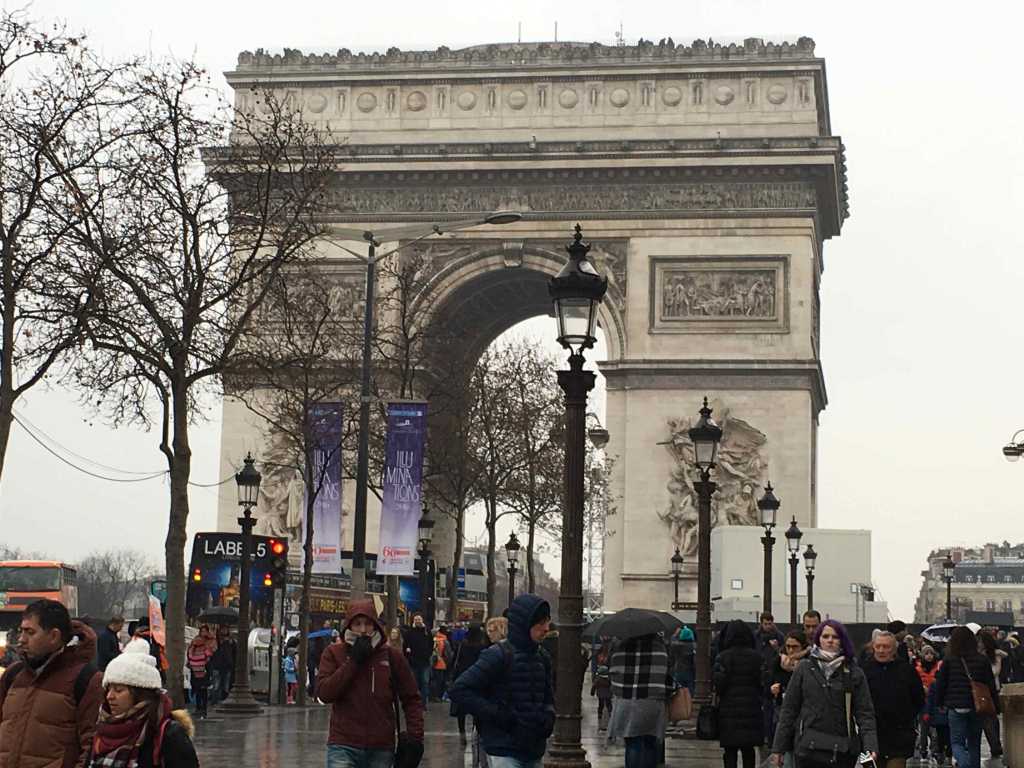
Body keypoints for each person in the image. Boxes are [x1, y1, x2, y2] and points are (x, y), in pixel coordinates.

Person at [449, 594, 556, 768]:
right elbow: (459, 689)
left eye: (547, 622)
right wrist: (498, 715)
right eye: (541, 623)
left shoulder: (542, 657)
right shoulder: (498, 654)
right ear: (525, 624)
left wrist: (548, 716)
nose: (546, 628)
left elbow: (548, 696)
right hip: (504, 748)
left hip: (533, 747)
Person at [317, 598, 424, 768]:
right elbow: (324, 693)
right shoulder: (334, 653)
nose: (363, 630)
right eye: (357, 624)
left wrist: (415, 736)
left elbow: (411, 697)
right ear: (349, 626)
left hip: (380, 746)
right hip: (343, 744)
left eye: (368, 624)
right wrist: (353, 662)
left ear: (375, 625)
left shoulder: (391, 656)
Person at [0, 599, 104, 768]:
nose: (21, 639)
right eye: (21, 631)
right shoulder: (13, 675)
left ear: (54, 636)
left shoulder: (87, 680)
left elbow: (92, 747)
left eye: (30, 632)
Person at [771, 619, 878, 768]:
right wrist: (778, 749)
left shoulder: (853, 672)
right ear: (818, 639)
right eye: (825, 636)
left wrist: (869, 749)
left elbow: (864, 713)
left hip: (842, 750)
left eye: (835, 637)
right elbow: (789, 710)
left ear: (842, 641)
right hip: (807, 747)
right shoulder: (805, 668)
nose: (830, 640)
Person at [83, 638, 199, 767]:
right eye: (108, 689)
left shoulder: (169, 735)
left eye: (119, 690)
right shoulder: (101, 729)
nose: (110, 696)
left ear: (140, 694)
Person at [933, 625, 998, 768]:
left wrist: (939, 703)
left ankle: (964, 764)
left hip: (955, 706)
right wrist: (996, 706)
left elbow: (941, 684)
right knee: (974, 743)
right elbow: (990, 685)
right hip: (976, 706)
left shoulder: (949, 659)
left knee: (957, 743)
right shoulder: (982, 660)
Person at [607, 630, 674, 768]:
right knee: (650, 742)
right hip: (652, 701)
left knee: (632, 743)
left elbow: (611, 670)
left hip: (626, 700)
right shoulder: (660, 646)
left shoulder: (620, 646)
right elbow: (668, 672)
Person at [862, 630, 924, 768]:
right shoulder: (864, 670)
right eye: (878, 646)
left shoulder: (907, 670)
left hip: (899, 735)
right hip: (869, 735)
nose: (881, 650)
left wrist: (906, 717)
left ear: (894, 649)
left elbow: (918, 698)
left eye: (886, 647)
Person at [714, 620, 764, 768]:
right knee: (749, 750)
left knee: (730, 751)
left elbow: (719, 685)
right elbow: (761, 683)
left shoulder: (723, 657)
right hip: (751, 709)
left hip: (728, 711)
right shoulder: (756, 657)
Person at [450, 625, 487, 746]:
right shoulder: (482, 647)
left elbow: (454, 660)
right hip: (478, 679)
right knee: (477, 709)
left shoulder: (462, 646)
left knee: (461, 711)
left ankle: (462, 733)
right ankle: (475, 733)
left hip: (462, 678)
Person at [977, 630, 1006, 762]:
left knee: (992, 718)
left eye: (981, 641)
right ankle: (994, 745)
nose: (979, 643)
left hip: (993, 688)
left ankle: (996, 745)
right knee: (987, 718)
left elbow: (996, 671)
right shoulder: (977, 655)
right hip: (981, 689)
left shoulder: (995, 654)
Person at [914, 645, 943, 761]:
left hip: (935, 701)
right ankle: (923, 750)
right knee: (924, 728)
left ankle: (935, 749)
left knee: (935, 729)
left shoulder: (938, 667)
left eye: (931, 653)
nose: (929, 656)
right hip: (923, 702)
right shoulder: (918, 669)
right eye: (926, 654)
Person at [185, 625, 215, 719]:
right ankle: (198, 708)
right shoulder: (194, 641)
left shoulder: (211, 641)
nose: (203, 633)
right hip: (195, 669)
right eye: (202, 631)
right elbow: (189, 651)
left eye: (205, 631)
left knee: (203, 690)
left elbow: (211, 653)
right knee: (197, 689)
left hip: (204, 669)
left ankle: (204, 709)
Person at [403, 613, 433, 707]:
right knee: (414, 683)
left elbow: (431, 645)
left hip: (425, 662)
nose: (417, 621)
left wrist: (428, 654)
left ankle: (423, 703)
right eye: (416, 619)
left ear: (422, 620)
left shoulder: (427, 631)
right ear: (413, 621)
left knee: (425, 682)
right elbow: (405, 645)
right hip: (413, 662)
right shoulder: (409, 632)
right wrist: (408, 654)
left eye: (419, 619)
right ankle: (414, 702)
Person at [207, 627, 234, 705]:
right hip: (217, 666)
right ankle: (214, 701)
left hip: (226, 666)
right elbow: (212, 653)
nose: (223, 636)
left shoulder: (230, 643)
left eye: (225, 633)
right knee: (216, 685)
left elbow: (232, 653)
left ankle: (223, 701)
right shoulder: (215, 643)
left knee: (225, 686)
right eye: (222, 633)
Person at [670, 627, 695, 694]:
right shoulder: (693, 646)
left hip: (679, 670)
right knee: (690, 692)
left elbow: (672, 643)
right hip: (690, 671)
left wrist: (675, 634)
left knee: (679, 692)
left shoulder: (677, 646)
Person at [431, 626, 451, 702]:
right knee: (440, 680)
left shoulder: (433, 639)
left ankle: (432, 696)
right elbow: (448, 654)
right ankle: (438, 696)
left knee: (432, 680)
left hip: (431, 662)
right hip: (441, 663)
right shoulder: (445, 640)